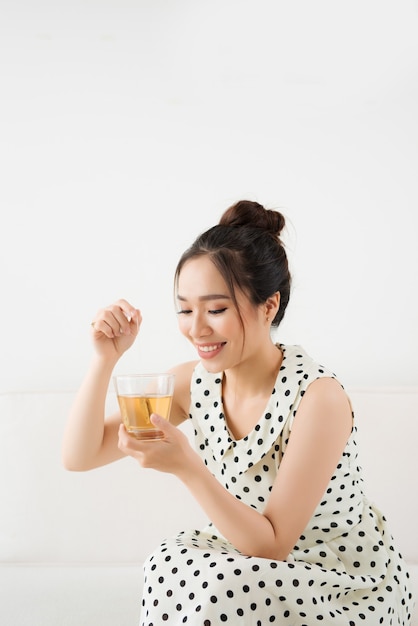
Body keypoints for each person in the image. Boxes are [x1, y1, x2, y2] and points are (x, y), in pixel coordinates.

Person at [63, 200, 414, 625]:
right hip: (246, 551)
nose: (196, 328)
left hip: (336, 578)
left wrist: (188, 467)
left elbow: (274, 547)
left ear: (268, 306)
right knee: (167, 563)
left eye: (216, 309)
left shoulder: (318, 398)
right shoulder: (194, 384)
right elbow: (79, 457)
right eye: (185, 309)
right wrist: (105, 359)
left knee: (225, 586)